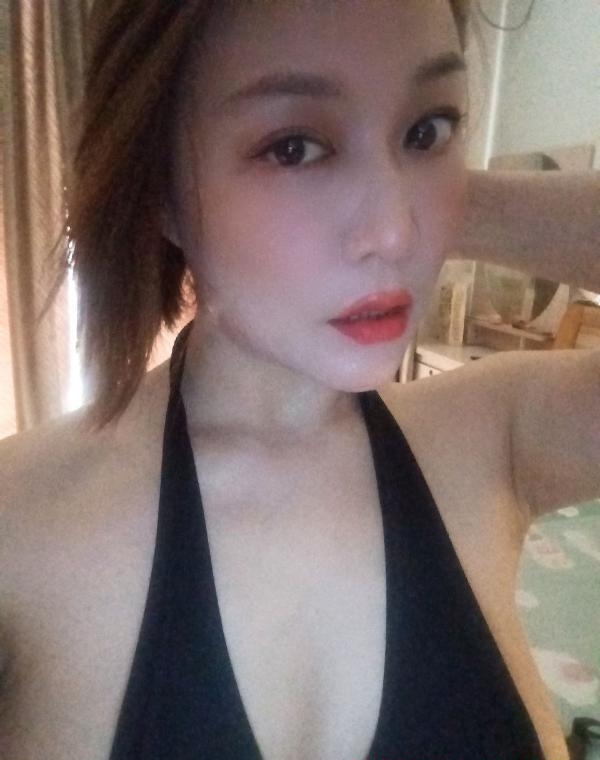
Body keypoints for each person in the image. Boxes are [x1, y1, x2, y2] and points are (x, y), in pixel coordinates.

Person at [0, 1, 598, 759]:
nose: (395, 232)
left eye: (428, 128)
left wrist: (444, 195)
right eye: (293, 148)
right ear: (157, 188)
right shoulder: (20, 526)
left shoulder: (493, 438)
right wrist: (402, 162)